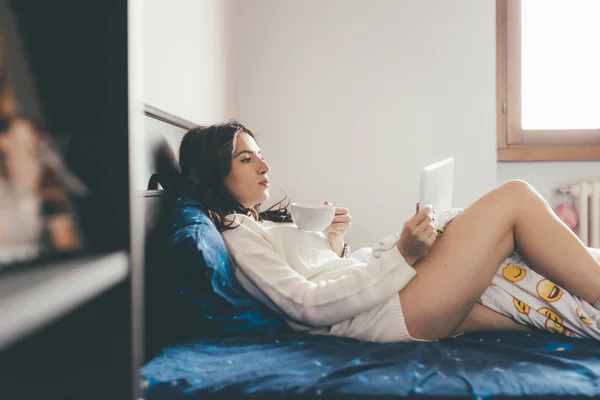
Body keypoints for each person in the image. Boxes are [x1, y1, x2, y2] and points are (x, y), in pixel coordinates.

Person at [178, 121, 600, 343]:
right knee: (516, 199)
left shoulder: (257, 223)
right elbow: (304, 305)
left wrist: (334, 244)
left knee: (517, 287)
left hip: (387, 301)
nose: (265, 167)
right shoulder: (235, 235)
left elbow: (317, 276)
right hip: (386, 313)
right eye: (247, 159)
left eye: (261, 156)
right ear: (214, 173)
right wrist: (403, 254)